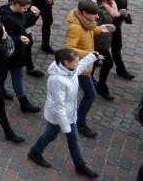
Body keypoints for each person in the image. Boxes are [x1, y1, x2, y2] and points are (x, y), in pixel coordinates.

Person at [27, 48, 101, 178]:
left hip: (68, 114)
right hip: (60, 116)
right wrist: (66, 127)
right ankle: (79, 165)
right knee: (67, 138)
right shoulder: (57, 80)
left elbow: (81, 66)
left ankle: (35, 152)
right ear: (66, 62)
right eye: (75, 62)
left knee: (51, 135)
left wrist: (93, 56)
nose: (78, 64)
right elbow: (59, 106)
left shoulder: (70, 70)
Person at [63, 0, 114, 139]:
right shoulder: (75, 28)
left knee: (74, 94)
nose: (97, 17)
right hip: (80, 68)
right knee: (91, 94)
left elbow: (89, 32)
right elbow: (68, 49)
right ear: (84, 13)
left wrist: (100, 29)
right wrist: (91, 55)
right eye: (94, 15)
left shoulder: (86, 22)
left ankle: (68, 115)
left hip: (86, 65)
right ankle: (79, 122)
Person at [0, 0, 43, 114]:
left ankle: (22, 101)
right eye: (24, 8)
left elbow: (24, 22)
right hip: (10, 53)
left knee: (15, 75)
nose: (25, 11)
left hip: (17, 51)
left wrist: (33, 15)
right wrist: (19, 39)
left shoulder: (16, 13)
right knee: (6, 74)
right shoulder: (7, 18)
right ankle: (21, 101)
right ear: (17, 5)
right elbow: (5, 38)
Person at [104, 0, 135, 80]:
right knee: (116, 46)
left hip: (118, 21)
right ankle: (120, 68)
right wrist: (120, 14)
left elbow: (123, 5)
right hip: (112, 24)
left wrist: (127, 16)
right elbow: (107, 10)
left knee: (116, 45)